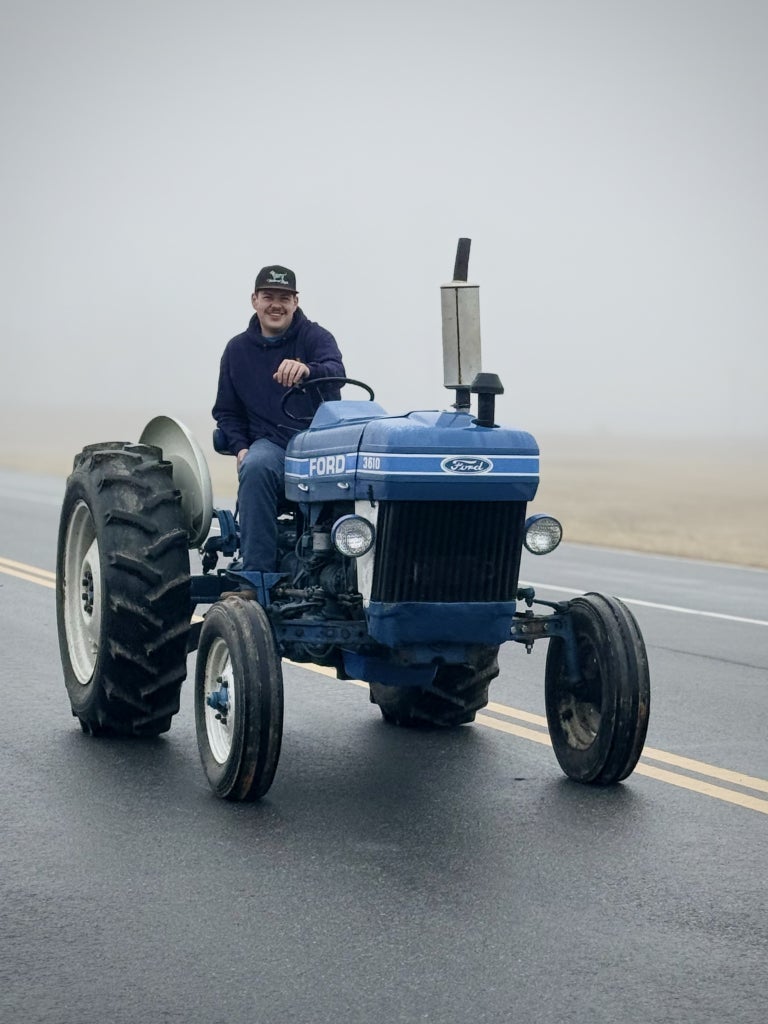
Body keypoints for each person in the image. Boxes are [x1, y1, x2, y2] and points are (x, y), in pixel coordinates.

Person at [212, 265, 345, 572]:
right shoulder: (237, 350)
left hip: (319, 444)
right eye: (268, 296)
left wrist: (308, 371)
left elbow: (336, 373)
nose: (276, 304)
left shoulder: (316, 337)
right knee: (256, 465)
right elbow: (227, 411)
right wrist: (240, 447)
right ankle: (257, 575)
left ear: (295, 302)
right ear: (254, 300)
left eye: (284, 297)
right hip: (273, 446)